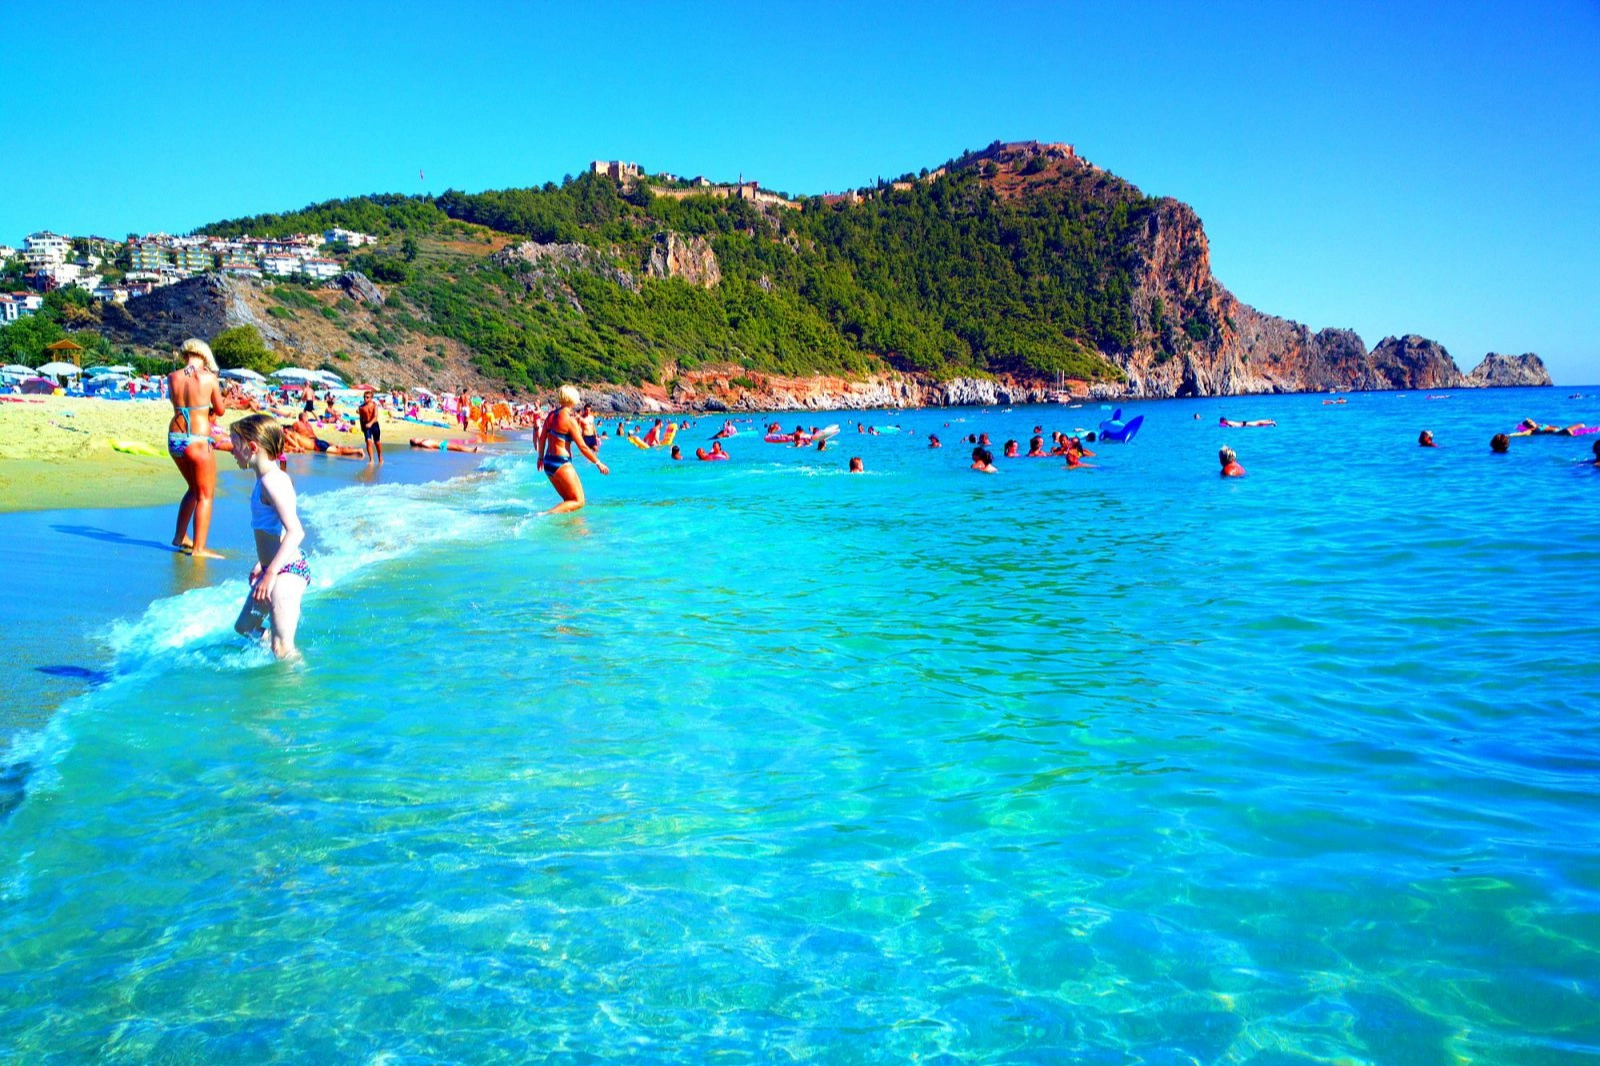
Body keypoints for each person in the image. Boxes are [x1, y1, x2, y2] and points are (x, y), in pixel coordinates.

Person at [229, 414, 309, 662]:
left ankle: (298, 680)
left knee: (283, 648)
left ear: (252, 447)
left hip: (286, 571)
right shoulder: (265, 480)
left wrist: (271, 572)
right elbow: (277, 529)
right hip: (272, 568)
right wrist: (261, 564)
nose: (232, 450)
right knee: (244, 627)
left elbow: (296, 531)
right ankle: (275, 655)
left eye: (235, 444)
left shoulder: (272, 482)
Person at [166, 338, 226, 558]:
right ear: (204, 355)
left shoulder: (173, 377)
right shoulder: (209, 378)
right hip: (197, 439)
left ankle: (180, 537)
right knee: (205, 495)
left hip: (175, 438)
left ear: (185, 354)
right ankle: (199, 548)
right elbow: (220, 410)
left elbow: (179, 402)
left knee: (193, 489)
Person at [537, 385, 609, 513]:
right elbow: (583, 447)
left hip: (548, 463)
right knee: (579, 501)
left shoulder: (551, 416)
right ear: (572, 399)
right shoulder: (570, 421)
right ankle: (544, 515)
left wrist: (540, 458)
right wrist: (598, 463)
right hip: (561, 463)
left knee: (569, 502)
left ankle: (572, 525)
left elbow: (542, 439)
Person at [358, 390, 382, 462]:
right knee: (368, 441)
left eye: (367, 397)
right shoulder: (361, 407)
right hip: (366, 425)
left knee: (377, 442)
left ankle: (380, 457)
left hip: (374, 425)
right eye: (364, 397)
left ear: (371, 398)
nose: (365, 399)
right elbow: (361, 418)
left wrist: (370, 423)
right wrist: (362, 426)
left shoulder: (374, 405)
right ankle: (371, 460)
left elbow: (375, 416)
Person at [409, 437, 480, 453]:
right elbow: (431, 449)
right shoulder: (423, 443)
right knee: (457, 447)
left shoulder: (423, 441)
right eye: (414, 439)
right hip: (441, 446)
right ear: (415, 442)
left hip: (442, 444)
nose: (416, 438)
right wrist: (439, 450)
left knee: (457, 447)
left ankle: (471, 450)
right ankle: (472, 450)